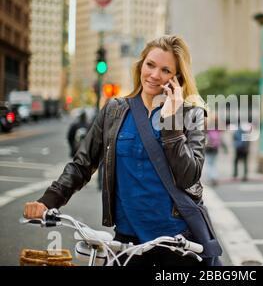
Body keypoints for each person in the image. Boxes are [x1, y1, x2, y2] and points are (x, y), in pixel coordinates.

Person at [23, 35, 222, 266]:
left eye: (166, 70)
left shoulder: (191, 115)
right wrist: (48, 201)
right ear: (141, 65)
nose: (155, 75)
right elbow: (82, 164)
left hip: (178, 243)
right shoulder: (114, 111)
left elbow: (189, 175)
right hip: (126, 243)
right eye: (150, 65)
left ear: (176, 78)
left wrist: (172, 124)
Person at [204, 116, 227, 186]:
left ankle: (212, 177)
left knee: (209, 164)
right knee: (213, 164)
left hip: (208, 149)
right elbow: (221, 139)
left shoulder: (207, 129)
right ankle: (214, 177)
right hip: (215, 149)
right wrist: (225, 148)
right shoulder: (218, 130)